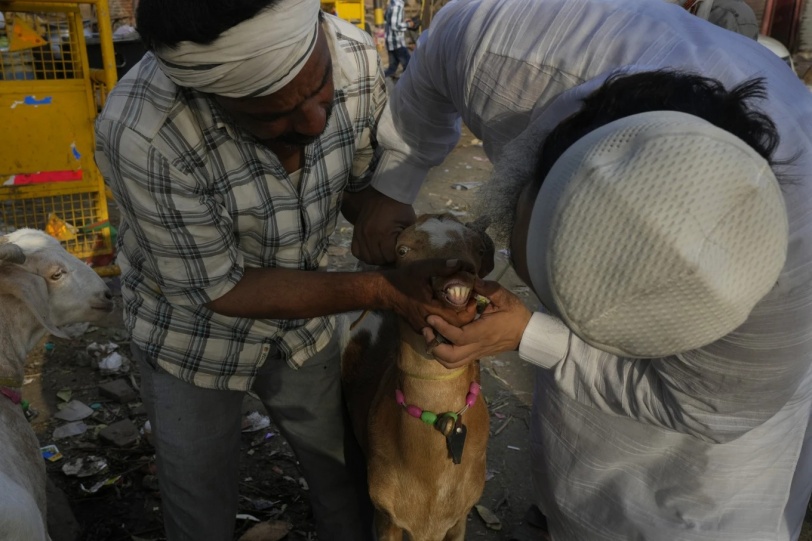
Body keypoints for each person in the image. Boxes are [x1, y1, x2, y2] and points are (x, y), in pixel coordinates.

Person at [352, 0, 812, 539]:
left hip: (709, 454)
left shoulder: (787, 289)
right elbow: (434, 62)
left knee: (683, 513)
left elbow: (709, 410)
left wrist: (534, 334)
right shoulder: (505, 46)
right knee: (571, 472)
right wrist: (395, 182)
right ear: (542, 174)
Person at [93, 1, 478, 540]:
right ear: (211, 96)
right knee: (200, 509)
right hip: (190, 341)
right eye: (270, 117)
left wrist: (391, 227)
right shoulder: (145, 134)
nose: (314, 123)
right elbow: (222, 288)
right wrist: (384, 289)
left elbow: (361, 187)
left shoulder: (354, 58)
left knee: (346, 483)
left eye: (320, 92)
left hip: (306, 332)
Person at [383, 0, 412, 78]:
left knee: (392, 69)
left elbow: (387, 18)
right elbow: (395, 26)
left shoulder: (392, 3)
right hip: (397, 42)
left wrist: (402, 21)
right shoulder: (398, 6)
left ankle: (382, 80)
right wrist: (408, 24)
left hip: (390, 42)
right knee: (409, 66)